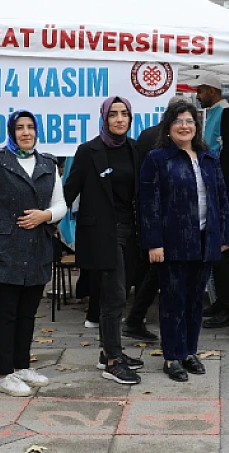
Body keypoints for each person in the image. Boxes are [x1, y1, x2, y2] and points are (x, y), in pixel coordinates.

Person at [0, 110, 66, 396]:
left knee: (28, 312)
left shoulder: (47, 162)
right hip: (2, 249)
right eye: (20, 128)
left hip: (37, 249)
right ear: (11, 131)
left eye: (30, 127)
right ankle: (3, 373)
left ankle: (21, 366)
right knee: (6, 312)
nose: (26, 133)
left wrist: (45, 215)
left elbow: (61, 205)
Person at [139, 100, 229, 381]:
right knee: (173, 301)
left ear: (197, 127)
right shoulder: (157, 159)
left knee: (195, 301)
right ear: (168, 127)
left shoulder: (208, 158)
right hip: (173, 242)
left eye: (190, 121)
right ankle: (172, 357)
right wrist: (154, 243)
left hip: (205, 241)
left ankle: (190, 351)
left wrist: (223, 235)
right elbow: (148, 204)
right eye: (178, 120)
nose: (184, 126)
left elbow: (221, 199)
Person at [64, 96, 144, 385]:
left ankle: (108, 351)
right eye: (113, 115)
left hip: (130, 232)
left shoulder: (134, 149)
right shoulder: (88, 151)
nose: (119, 119)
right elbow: (69, 191)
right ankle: (113, 360)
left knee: (120, 293)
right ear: (104, 118)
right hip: (102, 235)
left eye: (124, 114)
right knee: (115, 296)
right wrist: (49, 220)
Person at [195, 73, 229, 329]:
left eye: (200, 90)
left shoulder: (227, 115)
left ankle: (228, 306)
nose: (198, 95)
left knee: (223, 251)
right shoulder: (210, 114)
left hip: (222, 193)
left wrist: (226, 197)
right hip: (211, 191)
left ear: (212, 89)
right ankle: (221, 300)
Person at [122, 119, 163, 342]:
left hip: (145, 209)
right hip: (159, 215)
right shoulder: (161, 143)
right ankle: (136, 319)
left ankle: (136, 318)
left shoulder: (146, 135)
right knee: (154, 269)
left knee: (150, 269)